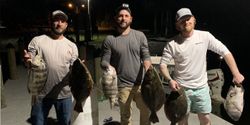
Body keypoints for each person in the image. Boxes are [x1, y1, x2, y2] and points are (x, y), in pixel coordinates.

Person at [159, 8, 245, 125]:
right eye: (182, 20)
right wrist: (169, 80)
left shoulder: (205, 36)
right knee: (182, 121)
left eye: (188, 18)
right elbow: (163, 64)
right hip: (181, 90)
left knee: (205, 119)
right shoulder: (172, 43)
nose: (186, 22)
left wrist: (236, 73)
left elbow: (225, 52)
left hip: (202, 88)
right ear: (177, 25)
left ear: (194, 20)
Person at [23, 10, 78, 125]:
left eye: (62, 21)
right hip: (41, 94)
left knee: (65, 123)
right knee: (38, 122)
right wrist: (27, 60)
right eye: (56, 20)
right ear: (50, 22)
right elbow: (29, 62)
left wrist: (79, 68)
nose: (59, 23)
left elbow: (74, 70)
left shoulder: (72, 46)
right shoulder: (37, 41)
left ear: (66, 25)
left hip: (64, 94)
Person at [100, 3, 152, 125]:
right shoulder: (110, 39)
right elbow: (104, 60)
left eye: (126, 15)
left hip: (141, 84)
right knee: (125, 117)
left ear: (131, 18)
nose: (123, 18)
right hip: (122, 85)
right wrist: (107, 65)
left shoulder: (139, 36)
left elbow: (146, 56)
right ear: (116, 18)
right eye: (120, 16)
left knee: (146, 112)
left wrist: (149, 72)